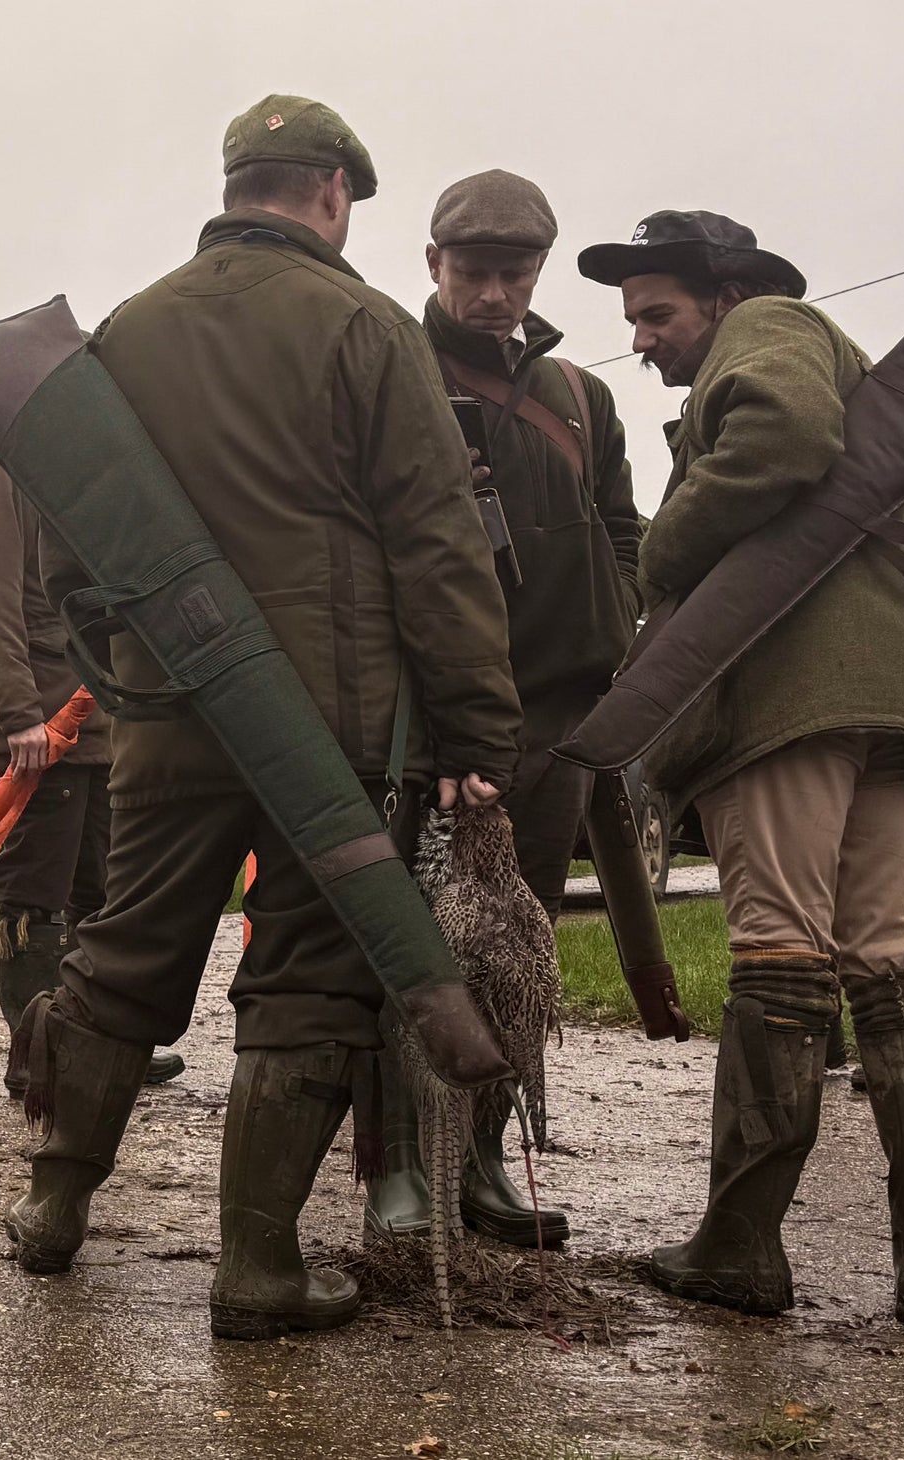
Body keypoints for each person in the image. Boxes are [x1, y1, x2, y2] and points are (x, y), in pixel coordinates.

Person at [7, 95, 522, 1341]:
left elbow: (63, 536)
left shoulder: (127, 330)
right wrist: (474, 729)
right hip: (332, 733)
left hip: (171, 717)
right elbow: (436, 541)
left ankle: (51, 1213)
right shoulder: (363, 323)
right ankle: (255, 1268)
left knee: (125, 946)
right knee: (306, 976)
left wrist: (129, 663)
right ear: (334, 192)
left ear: (236, 182)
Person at [578, 210, 904, 1327]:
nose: (642, 340)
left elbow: (786, 434)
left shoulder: (768, 325)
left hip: (788, 695)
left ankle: (739, 1248)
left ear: (717, 295)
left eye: (655, 313)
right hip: (882, 694)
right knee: (894, 960)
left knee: (778, 957)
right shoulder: (812, 338)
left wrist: (660, 546)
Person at [364, 170, 643, 1244]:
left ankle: (481, 1161)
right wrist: (437, 715)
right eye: (472, 270)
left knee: (512, 957)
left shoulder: (582, 396)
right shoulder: (397, 375)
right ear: (431, 264)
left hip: (559, 719)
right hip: (432, 726)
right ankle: (397, 1166)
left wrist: (611, 622)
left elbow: (622, 528)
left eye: (513, 272)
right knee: (408, 949)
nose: (492, 293)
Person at [0, 440, 183, 1092]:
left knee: (102, 892)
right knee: (33, 895)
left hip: (104, 717)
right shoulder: (0, 462)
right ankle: (37, 1055)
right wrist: (19, 710)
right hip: (42, 721)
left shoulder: (77, 462)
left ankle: (93, 1042)